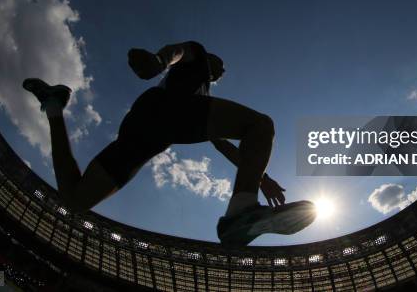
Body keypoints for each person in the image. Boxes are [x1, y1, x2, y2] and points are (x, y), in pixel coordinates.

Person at [23, 41, 315, 245]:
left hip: (144, 138)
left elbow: (221, 144)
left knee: (75, 200)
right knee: (260, 126)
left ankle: (53, 106)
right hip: (167, 109)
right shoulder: (199, 59)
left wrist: (262, 178)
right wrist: (158, 62)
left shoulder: (201, 97)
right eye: (221, 64)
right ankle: (240, 211)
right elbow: (179, 51)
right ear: (210, 59)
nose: (222, 70)